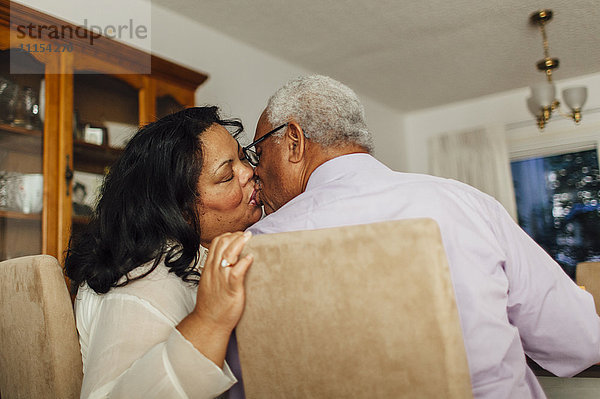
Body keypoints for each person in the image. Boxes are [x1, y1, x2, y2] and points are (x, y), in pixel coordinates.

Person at [244, 75, 600, 398]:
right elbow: (580, 340)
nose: (255, 171)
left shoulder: (255, 246)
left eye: (258, 153)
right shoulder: (463, 202)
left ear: (294, 141)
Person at [65, 106, 262, 398]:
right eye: (226, 176)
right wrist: (209, 322)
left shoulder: (186, 259)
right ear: (181, 211)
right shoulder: (146, 280)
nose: (249, 172)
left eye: (243, 157)